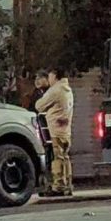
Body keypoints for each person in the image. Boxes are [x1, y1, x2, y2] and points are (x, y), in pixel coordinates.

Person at [36, 68, 74, 197]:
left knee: (57, 158)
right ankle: (68, 184)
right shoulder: (67, 89)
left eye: (50, 76)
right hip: (65, 129)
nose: (49, 79)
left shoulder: (56, 90)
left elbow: (39, 105)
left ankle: (58, 186)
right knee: (65, 157)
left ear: (55, 76)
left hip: (55, 129)